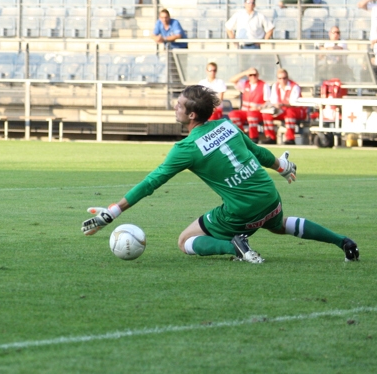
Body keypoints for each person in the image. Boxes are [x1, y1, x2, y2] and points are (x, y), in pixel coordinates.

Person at [81, 85, 359, 264]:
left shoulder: (186, 148)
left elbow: (152, 182)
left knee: (184, 241)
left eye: (179, 105)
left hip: (241, 211)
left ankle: (234, 246)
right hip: (269, 196)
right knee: (278, 225)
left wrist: (113, 212)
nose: (174, 108)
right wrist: (282, 167)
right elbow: (257, 152)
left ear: (191, 116)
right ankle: (343, 242)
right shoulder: (227, 126)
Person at [261, 68, 307, 145]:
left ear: (287, 78)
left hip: (296, 110)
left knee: (289, 112)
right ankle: (270, 137)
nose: (282, 80)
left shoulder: (294, 86)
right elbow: (274, 100)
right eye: (280, 78)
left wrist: (281, 104)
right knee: (266, 114)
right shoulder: (275, 86)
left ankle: (290, 138)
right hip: (281, 110)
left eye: (284, 78)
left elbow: (293, 103)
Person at [228, 67, 273, 143]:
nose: (253, 77)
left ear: (258, 75)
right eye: (250, 75)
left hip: (258, 112)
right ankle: (242, 135)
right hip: (245, 111)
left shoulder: (264, 85)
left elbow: (268, 101)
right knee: (233, 114)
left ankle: (254, 137)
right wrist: (245, 72)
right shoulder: (245, 84)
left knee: (251, 115)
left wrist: (259, 107)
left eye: (254, 75)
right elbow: (232, 80)